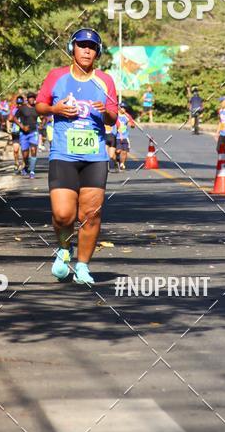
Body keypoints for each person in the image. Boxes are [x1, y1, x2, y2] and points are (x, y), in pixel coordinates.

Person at [36, 27, 118, 285]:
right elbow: (40, 106)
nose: (86, 50)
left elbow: (113, 117)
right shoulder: (57, 76)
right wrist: (54, 108)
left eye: (91, 47)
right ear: (72, 48)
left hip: (94, 156)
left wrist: (105, 112)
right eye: (82, 45)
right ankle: (64, 248)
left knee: (90, 215)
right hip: (63, 154)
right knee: (63, 215)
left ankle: (82, 266)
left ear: (98, 52)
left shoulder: (105, 80)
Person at [12, 92, 39, 178]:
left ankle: (32, 171)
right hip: (24, 134)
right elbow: (14, 118)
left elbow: (44, 116)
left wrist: (42, 124)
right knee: (25, 154)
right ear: (27, 99)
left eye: (33, 98)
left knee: (34, 150)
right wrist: (22, 126)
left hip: (34, 132)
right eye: (30, 98)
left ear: (35, 99)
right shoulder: (22, 108)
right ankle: (25, 166)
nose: (31, 99)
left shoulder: (37, 108)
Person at [115, 101, 136, 170]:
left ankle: (122, 164)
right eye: (121, 107)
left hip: (125, 136)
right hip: (116, 136)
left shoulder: (127, 116)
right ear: (119, 107)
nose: (123, 109)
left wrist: (131, 124)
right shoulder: (115, 115)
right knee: (118, 151)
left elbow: (133, 124)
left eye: (124, 108)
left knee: (124, 151)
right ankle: (117, 158)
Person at [8, 96, 25, 173]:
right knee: (16, 150)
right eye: (18, 103)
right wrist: (9, 128)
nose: (19, 105)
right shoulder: (14, 110)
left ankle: (23, 166)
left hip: (24, 132)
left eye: (21, 103)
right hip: (15, 132)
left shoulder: (26, 110)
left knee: (24, 150)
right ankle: (16, 163)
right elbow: (9, 119)